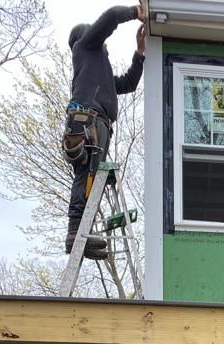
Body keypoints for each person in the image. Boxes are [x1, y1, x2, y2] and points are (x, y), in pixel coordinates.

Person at [63, 5, 147, 256]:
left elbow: (128, 84)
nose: (106, 45)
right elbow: (110, 18)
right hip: (87, 122)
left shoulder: (97, 71)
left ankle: (82, 233)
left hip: (96, 123)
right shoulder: (85, 46)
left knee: (90, 179)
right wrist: (136, 11)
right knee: (85, 176)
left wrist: (139, 54)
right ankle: (75, 234)